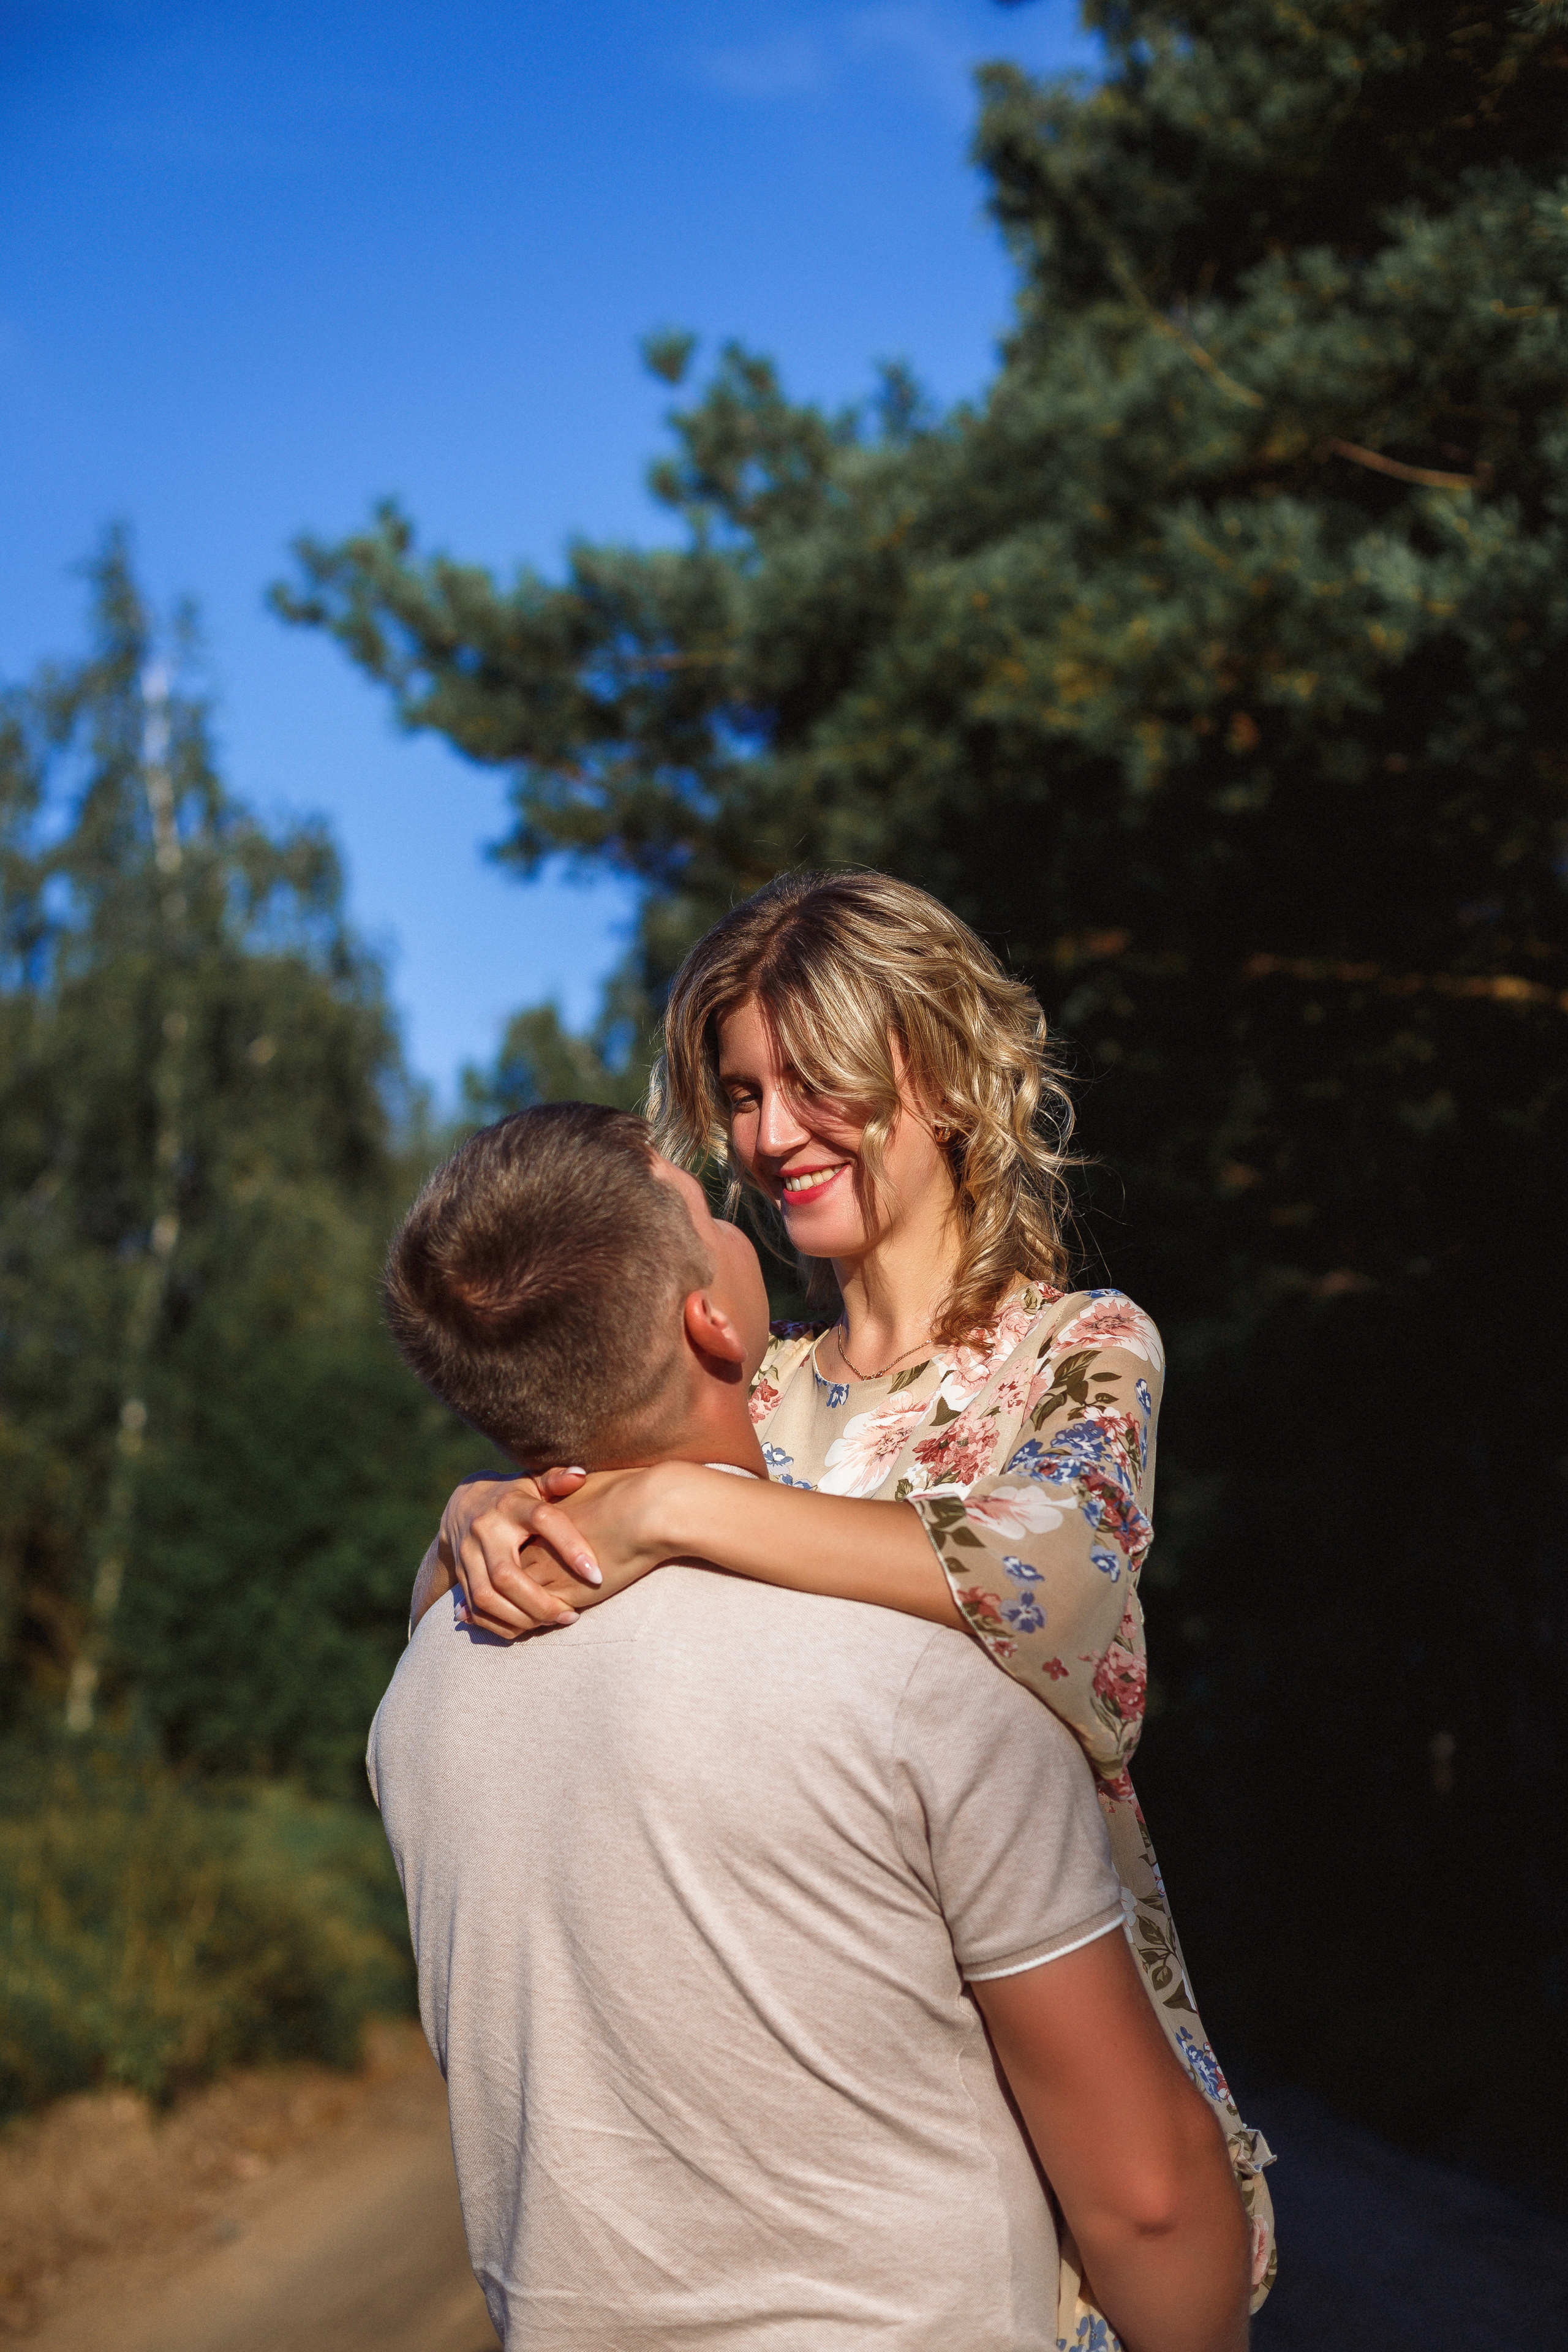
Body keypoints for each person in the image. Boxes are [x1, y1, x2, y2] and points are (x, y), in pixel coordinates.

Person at [415, 872, 1277, 2331]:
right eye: (743, 1094)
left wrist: (677, 1507)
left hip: (1071, 2049)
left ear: (941, 1073)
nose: (768, 1137)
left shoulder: (1075, 1351)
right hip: (826, 2082)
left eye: (813, 1083)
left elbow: (1050, 1574)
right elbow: (517, 1613)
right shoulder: (734, 1378)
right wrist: (464, 1522)